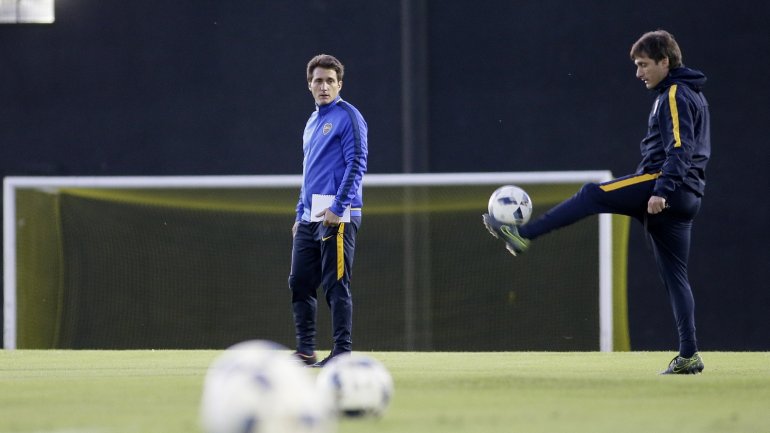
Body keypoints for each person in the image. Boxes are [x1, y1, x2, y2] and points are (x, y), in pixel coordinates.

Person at [483, 30, 710, 375]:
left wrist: (662, 190)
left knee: (591, 194)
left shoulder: (677, 93)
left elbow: (680, 148)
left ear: (665, 62)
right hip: (687, 195)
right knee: (675, 278)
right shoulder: (689, 93)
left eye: (644, 64)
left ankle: (524, 235)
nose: (639, 72)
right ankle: (689, 354)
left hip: (665, 187)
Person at [289, 54, 368, 368]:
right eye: (318, 80)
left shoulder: (348, 116)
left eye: (330, 81)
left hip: (338, 214)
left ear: (340, 84)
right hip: (310, 215)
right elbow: (309, 173)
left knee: (335, 284)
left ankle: (342, 355)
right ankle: (306, 350)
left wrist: (338, 206)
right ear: (309, 84)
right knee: (299, 282)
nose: (324, 86)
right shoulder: (311, 122)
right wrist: (299, 214)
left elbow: (357, 163)